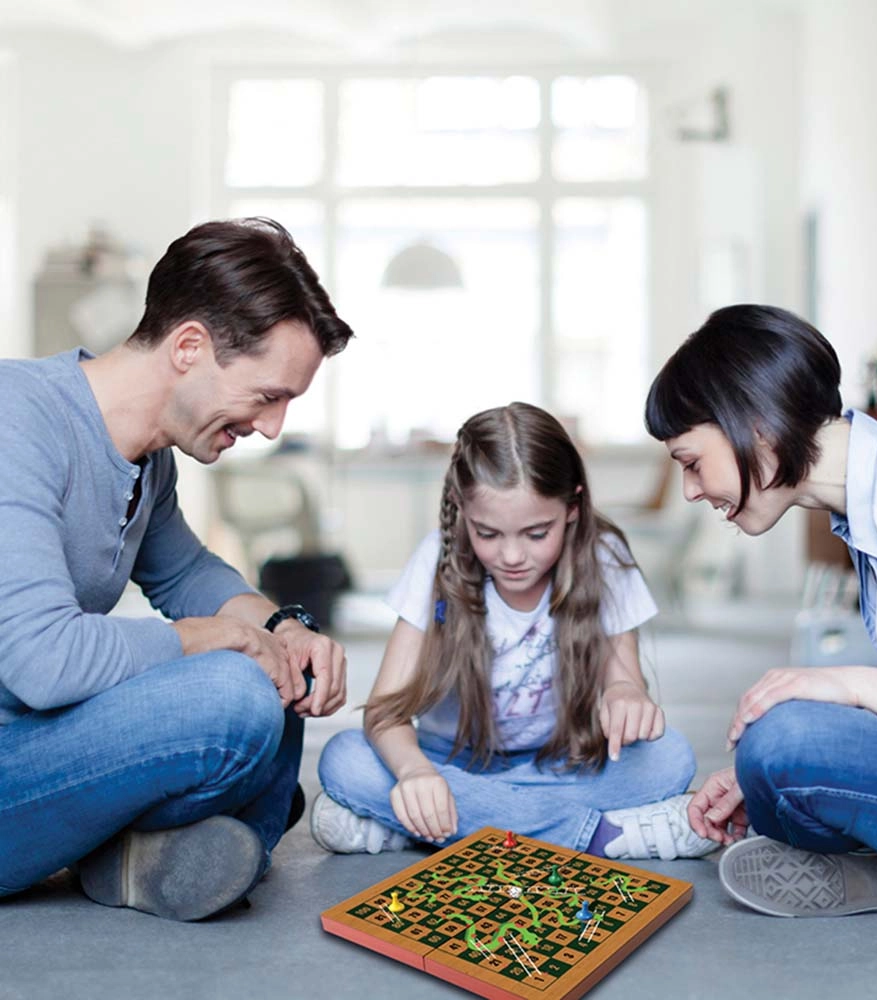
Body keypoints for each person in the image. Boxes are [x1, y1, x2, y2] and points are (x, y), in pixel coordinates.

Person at [0, 217, 355, 921]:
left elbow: (188, 572)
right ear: (189, 347)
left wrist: (285, 629)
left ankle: (133, 858)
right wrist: (211, 639)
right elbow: (42, 659)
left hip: (37, 740)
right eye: (268, 395)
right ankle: (151, 846)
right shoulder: (18, 418)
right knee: (234, 694)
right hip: (16, 743)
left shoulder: (149, 458)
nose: (272, 427)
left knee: (280, 673)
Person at [645, 303, 877, 917]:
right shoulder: (872, 490)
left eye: (692, 463)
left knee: (787, 739)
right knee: (773, 748)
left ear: (755, 424)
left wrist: (857, 689)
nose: (691, 490)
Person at [311, 402, 717, 861]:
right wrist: (413, 772)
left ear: (573, 507)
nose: (511, 557)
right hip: (453, 761)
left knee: (670, 757)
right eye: (488, 534)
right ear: (461, 508)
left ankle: (425, 827)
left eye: (536, 533)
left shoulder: (605, 557)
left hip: (560, 762)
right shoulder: (436, 560)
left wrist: (625, 696)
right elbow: (385, 712)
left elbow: (626, 683)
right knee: (345, 758)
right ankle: (602, 836)